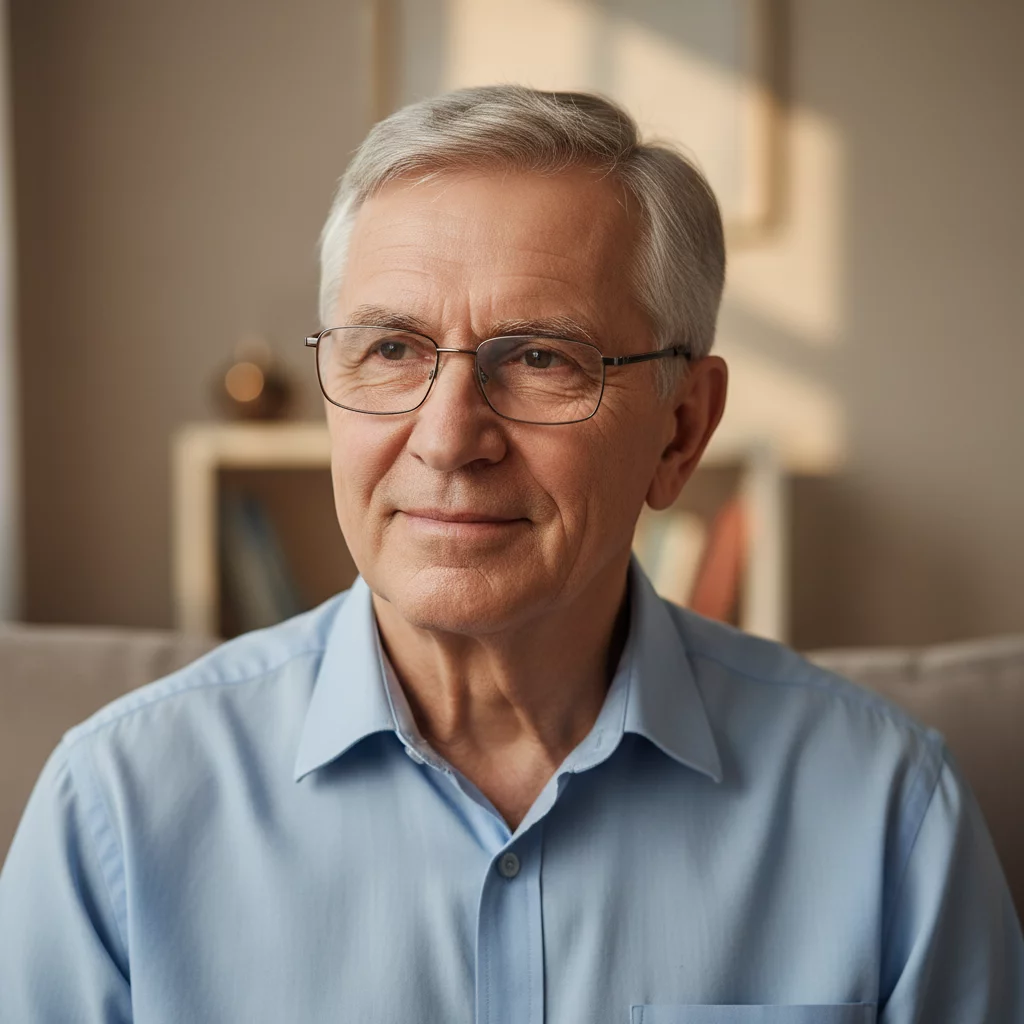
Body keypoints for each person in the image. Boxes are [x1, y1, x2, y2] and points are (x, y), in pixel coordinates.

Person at [1, 86, 1021, 1024]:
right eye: (390, 348)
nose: (448, 438)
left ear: (680, 429)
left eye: (540, 358)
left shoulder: (888, 811)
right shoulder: (118, 810)